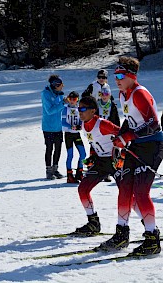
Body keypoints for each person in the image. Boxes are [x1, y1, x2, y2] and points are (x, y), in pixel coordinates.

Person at [98, 56, 163, 256]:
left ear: (131, 76)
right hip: (135, 146)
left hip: (152, 146)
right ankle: (122, 233)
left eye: (120, 75)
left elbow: (152, 123)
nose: (116, 79)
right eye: (114, 75)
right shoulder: (121, 94)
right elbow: (130, 121)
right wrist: (121, 136)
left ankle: (152, 238)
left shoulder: (139, 93)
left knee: (141, 192)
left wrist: (127, 136)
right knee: (125, 188)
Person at [72, 96, 120, 235]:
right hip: (100, 162)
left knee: (128, 195)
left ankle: (148, 229)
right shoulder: (84, 125)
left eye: (82, 109)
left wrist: (120, 154)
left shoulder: (102, 124)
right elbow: (94, 142)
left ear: (93, 111)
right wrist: (92, 156)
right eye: (78, 109)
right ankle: (93, 223)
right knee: (83, 189)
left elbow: (123, 134)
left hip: (114, 162)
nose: (79, 112)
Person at [41, 75, 67, 180]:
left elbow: (63, 109)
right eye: (61, 85)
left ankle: (55, 169)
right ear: (55, 85)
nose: (63, 86)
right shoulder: (45, 94)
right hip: (48, 126)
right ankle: (48, 170)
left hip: (58, 126)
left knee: (58, 148)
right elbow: (50, 111)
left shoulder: (60, 94)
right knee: (49, 148)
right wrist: (62, 103)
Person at [96, 84, 120, 182]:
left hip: (109, 131)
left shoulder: (112, 105)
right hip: (99, 131)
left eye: (106, 94)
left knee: (112, 151)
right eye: (102, 94)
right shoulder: (97, 104)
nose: (104, 96)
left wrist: (117, 131)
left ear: (109, 95)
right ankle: (101, 171)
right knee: (100, 151)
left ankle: (114, 171)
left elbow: (116, 119)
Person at [61, 91, 86, 183]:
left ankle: (79, 172)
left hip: (76, 134)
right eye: (70, 99)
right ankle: (69, 175)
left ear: (77, 100)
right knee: (70, 155)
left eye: (74, 99)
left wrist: (80, 126)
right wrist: (70, 127)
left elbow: (82, 120)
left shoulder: (79, 109)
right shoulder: (65, 109)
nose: (72, 101)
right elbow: (63, 122)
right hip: (68, 134)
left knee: (83, 154)